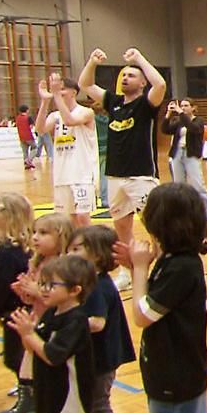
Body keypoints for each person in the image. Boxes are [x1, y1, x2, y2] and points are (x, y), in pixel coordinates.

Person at [118, 183, 207, 413]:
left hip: (175, 384)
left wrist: (140, 269)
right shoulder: (177, 260)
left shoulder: (181, 268)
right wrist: (137, 266)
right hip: (180, 379)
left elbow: (143, 314)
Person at [7, 255, 96, 413]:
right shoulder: (52, 313)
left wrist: (30, 334)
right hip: (51, 389)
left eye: (50, 285)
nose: (43, 289)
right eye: (42, 283)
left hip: (70, 393)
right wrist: (27, 328)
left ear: (74, 290)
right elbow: (35, 345)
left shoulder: (77, 320)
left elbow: (54, 355)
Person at [77, 47, 167, 289]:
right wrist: (92, 62)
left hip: (141, 176)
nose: (126, 78)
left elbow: (160, 85)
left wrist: (140, 59)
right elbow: (85, 84)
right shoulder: (113, 102)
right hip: (115, 176)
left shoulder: (147, 104)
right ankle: (128, 273)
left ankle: (161, 271)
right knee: (122, 228)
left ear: (142, 83)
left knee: (154, 227)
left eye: (132, 75)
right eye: (124, 75)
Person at [69, 225, 137, 413]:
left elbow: (97, 323)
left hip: (104, 355)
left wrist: (68, 320)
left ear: (96, 255)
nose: (69, 253)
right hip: (91, 355)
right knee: (92, 402)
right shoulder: (86, 282)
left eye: (77, 249)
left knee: (99, 403)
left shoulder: (98, 286)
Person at [6, 213, 76, 413]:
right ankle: (40, 412)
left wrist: (37, 292)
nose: (35, 237)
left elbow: (61, 300)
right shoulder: (36, 262)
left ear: (62, 238)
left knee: (50, 374)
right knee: (32, 370)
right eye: (35, 232)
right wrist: (24, 292)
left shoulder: (65, 267)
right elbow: (33, 300)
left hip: (54, 328)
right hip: (37, 323)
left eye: (44, 233)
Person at [0, 193, 34, 413]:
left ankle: (30, 397)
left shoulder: (2, 251)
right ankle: (28, 389)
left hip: (14, 311)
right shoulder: (27, 247)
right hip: (26, 308)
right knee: (21, 356)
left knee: (17, 357)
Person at [35, 74, 98, 227]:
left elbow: (70, 121)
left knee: (83, 216)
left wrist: (55, 95)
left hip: (82, 174)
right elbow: (40, 129)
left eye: (62, 90)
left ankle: (90, 247)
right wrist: (45, 101)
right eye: (57, 89)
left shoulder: (86, 112)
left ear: (73, 93)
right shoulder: (55, 116)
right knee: (69, 220)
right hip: (62, 175)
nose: (58, 92)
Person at [161, 99, 207, 227]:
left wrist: (181, 113)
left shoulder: (198, 121)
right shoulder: (178, 122)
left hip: (191, 154)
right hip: (177, 154)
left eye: (186, 106)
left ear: (193, 108)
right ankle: (181, 216)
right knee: (178, 187)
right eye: (181, 106)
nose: (183, 108)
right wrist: (168, 114)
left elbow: (194, 129)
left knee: (198, 185)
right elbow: (165, 130)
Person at [16, 105, 38, 170]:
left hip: (21, 137)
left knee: (25, 151)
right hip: (28, 136)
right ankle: (29, 160)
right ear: (27, 110)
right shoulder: (28, 118)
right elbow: (31, 126)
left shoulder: (18, 118)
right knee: (35, 147)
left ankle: (26, 162)